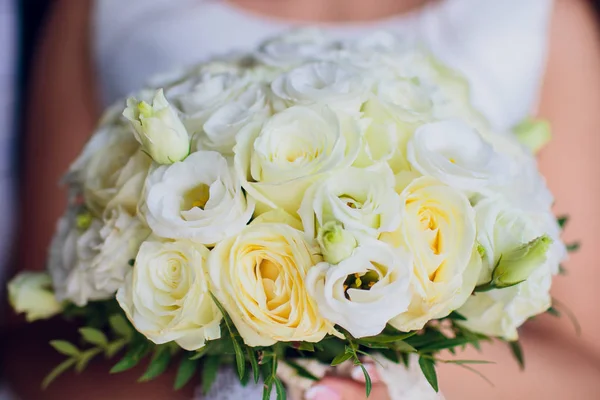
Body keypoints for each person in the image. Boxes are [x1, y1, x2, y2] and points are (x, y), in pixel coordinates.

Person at [4, 0, 600, 399]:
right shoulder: (96, 8)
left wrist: (389, 374)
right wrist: (237, 376)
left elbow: (583, 366)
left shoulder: (539, 14)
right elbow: (30, 346)